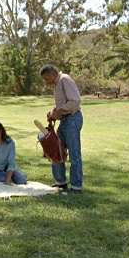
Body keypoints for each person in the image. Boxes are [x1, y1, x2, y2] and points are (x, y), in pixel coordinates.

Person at [40, 64, 84, 193]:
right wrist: (54, 112)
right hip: (64, 120)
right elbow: (63, 103)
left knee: (74, 153)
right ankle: (60, 182)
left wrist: (58, 112)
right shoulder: (58, 84)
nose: (46, 82)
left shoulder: (64, 79)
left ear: (51, 75)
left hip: (72, 119)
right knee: (57, 150)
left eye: (45, 79)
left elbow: (75, 101)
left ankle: (76, 186)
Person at [0, 121, 27, 185]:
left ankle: (16, 171)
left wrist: (8, 180)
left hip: (6, 167)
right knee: (3, 178)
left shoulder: (10, 143)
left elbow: (11, 161)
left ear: (1, 131)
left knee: (22, 181)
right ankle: (5, 174)